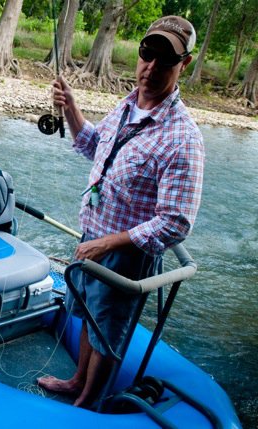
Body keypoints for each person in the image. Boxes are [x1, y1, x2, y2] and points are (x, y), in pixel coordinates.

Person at [37, 16, 205, 408]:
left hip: (124, 258)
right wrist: (72, 110)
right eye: (148, 53)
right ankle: (77, 379)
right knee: (86, 315)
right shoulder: (127, 105)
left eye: (166, 58)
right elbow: (96, 146)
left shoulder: (183, 138)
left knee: (107, 331)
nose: (152, 65)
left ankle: (87, 404)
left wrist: (109, 244)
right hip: (91, 240)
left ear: (186, 63)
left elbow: (176, 222)